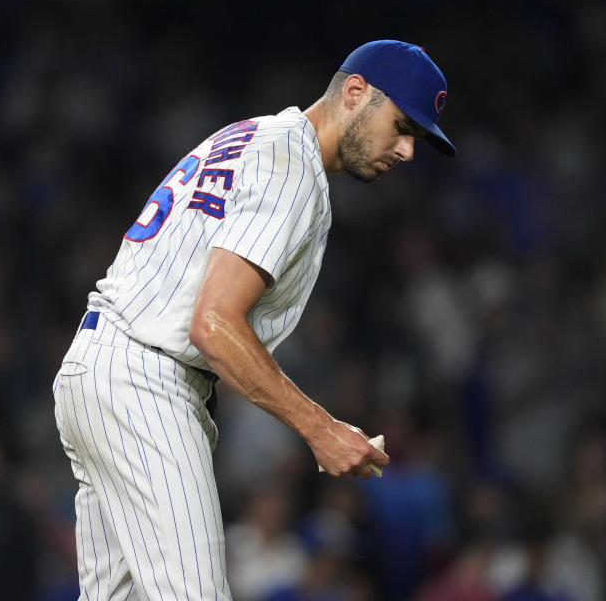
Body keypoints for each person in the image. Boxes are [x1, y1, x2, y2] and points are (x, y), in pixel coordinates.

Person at [51, 40, 456, 600]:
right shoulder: (292, 165)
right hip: (142, 385)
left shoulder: (257, 136)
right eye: (402, 125)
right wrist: (322, 430)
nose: (408, 151)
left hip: (101, 369)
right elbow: (213, 322)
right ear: (356, 92)